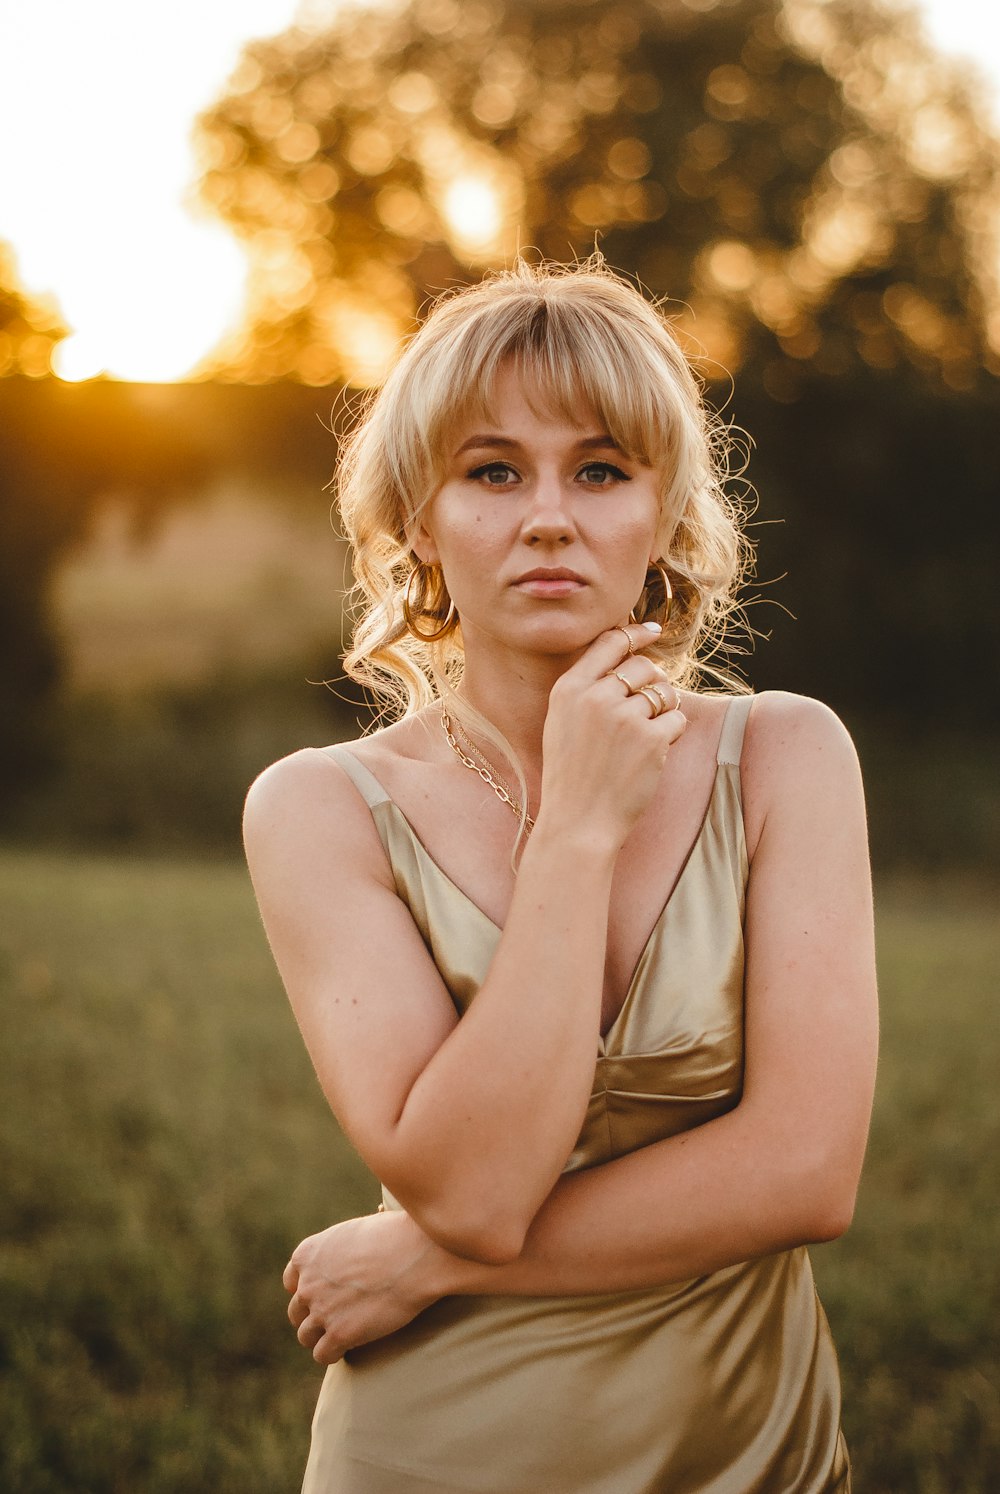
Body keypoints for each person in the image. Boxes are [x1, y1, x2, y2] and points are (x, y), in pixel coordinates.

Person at [242, 257, 878, 1493]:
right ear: (419, 521)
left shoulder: (788, 756)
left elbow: (806, 1173)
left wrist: (422, 1260)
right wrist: (578, 825)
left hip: (752, 1459)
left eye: (599, 470)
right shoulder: (319, 809)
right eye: (491, 471)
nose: (548, 516)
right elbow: (472, 1191)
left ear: (664, 517)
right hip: (430, 1453)